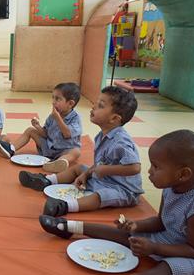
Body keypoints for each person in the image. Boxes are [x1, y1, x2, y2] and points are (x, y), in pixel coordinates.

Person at [39, 130, 194, 275]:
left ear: (183, 174)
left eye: (156, 167)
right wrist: (136, 225)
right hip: (168, 238)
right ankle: (69, 227)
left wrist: (155, 247)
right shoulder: (171, 187)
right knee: (128, 236)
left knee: (170, 270)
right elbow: (161, 222)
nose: (149, 171)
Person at [19, 86, 143, 214]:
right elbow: (99, 164)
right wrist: (85, 174)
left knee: (100, 196)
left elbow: (135, 168)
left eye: (100, 105)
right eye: (95, 103)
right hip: (103, 179)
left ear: (114, 119)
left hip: (122, 189)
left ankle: (66, 206)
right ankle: (46, 180)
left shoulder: (121, 141)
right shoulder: (102, 136)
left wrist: (105, 170)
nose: (93, 106)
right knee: (78, 169)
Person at [0, 83, 82, 173]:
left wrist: (58, 118)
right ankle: (11, 149)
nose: (53, 101)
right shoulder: (53, 116)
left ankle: (57, 163)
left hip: (64, 151)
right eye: (53, 97)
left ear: (70, 103)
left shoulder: (75, 118)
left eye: (58, 99)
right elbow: (46, 134)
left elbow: (67, 134)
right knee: (30, 130)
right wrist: (37, 126)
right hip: (49, 147)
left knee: (76, 152)